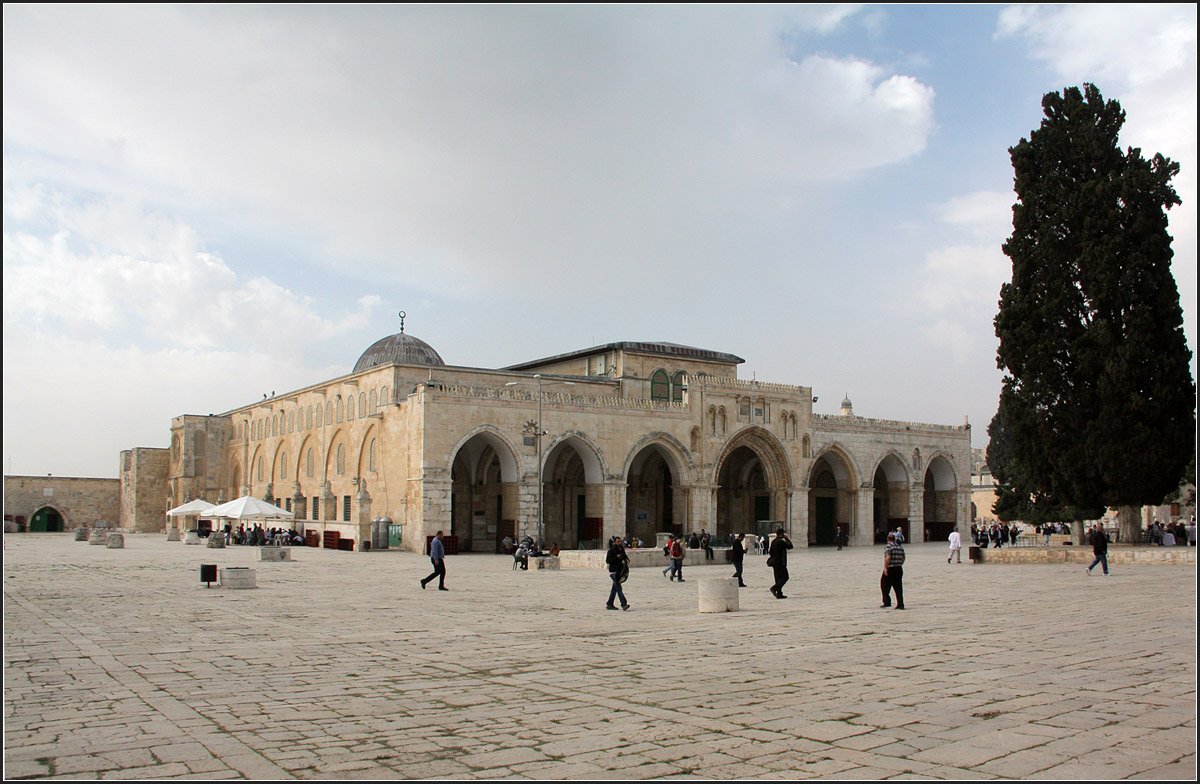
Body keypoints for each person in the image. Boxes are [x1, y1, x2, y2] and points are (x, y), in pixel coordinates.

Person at [880, 531, 905, 609]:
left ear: (888, 539)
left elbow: (888, 557)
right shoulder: (900, 547)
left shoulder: (889, 547)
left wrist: (885, 567)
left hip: (890, 568)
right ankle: (900, 604)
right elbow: (903, 558)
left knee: (884, 585)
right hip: (899, 568)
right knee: (898, 587)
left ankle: (887, 602)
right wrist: (900, 563)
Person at [605, 537, 630, 611]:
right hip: (613, 572)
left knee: (615, 588)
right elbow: (608, 561)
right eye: (618, 541)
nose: (619, 543)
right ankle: (624, 604)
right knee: (619, 588)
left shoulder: (621, 549)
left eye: (620, 541)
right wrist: (616, 557)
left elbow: (624, 555)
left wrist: (626, 559)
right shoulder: (611, 550)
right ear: (614, 542)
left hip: (620, 571)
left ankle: (609, 603)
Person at [768, 528, 792, 599]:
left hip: (774, 562)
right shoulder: (781, 542)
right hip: (781, 562)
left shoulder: (773, 541)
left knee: (778, 578)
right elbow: (790, 546)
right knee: (785, 577)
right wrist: (787, 539)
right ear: (781, 534)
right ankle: (774, 588)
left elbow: (770, 552)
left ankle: (779, 593)